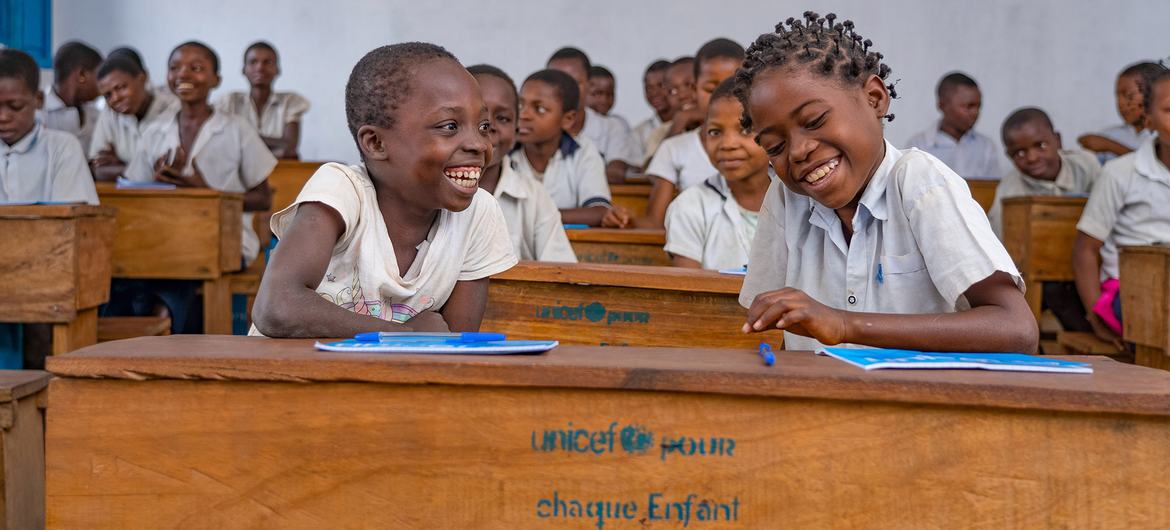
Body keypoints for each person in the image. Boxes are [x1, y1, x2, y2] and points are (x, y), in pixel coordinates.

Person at [736, 12, 1036, 353]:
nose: (799, 151)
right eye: (776, 146)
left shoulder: (921, 183)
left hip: (922, 402)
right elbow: (759, 325)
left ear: (875, 98)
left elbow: (1016, 329)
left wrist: (845, 324)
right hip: (822, 402)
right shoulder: (786, 199)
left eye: (815, 120)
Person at [251, 43, 517, 337]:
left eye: (483, 126)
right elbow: (276, 308)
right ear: (376, 143)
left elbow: (453, 348)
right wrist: (401, 334)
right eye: (450, 126)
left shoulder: (478, 213)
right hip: (289, 378)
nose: (479, 145)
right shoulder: (342, 190)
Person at [1073, 65, 1170, 350]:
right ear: (1148, 119)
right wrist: (1095, 316)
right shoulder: (1120, 173)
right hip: (1130, 293)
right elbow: (1085, 250)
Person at [468, 64, 576, 262]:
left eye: (503, 118)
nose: (488, 127)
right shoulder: (428, 191)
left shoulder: (534, 197)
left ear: (517, 128)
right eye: (477, 115)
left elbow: (561, 272)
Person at [664, 79, 768, 270]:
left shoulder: (801, 200)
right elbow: (688, 292)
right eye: (714, 131)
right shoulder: (690, 206)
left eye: (745, 129)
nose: (727, 144)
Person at [641, 39, 744, 227]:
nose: (722, 96)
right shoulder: (673, 148)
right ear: (694, 88)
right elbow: (654, 221)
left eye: (733, 86)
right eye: (710, 89)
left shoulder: (766, 142)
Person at [511, 69, 620, 227]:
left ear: (568, 119)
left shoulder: (583, 151)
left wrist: (530, 215)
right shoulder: (505, 153)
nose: (524, 115)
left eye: (539, 109)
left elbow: (598, 211)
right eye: (521, 105)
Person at [0, 48, 98, 204]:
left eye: (16, 106)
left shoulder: (62, 148)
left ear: (38, 100)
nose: (3, 117)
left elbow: (73, 217)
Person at [548, 47, 641, 183]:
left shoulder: (611, 127)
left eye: (574, 82)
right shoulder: (535, 126)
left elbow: (616, 174)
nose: (566, 90)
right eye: (556, 83)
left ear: (589, 84)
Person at [90, 56, 180, 181]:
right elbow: (98, 170)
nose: (115, 98)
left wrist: (121, 164)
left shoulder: (174, 107)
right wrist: (145, 169)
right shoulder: (110, 113)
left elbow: (169, 172)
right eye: (107, 95)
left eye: (121, 87)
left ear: (142, 78)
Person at [215, 41, 310, 159]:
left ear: (277, 70)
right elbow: (223, 144)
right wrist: (275, 147)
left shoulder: (291, 101)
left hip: (279, 172)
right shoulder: (229, 101)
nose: (260, 67)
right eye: (253, 62)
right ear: (244, 69)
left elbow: (289, 147)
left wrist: (242, 138)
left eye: (267, 62)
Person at [906, 72, 1002, 180]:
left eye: (978, 106)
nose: (975, 112)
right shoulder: (918, 146)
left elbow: (991, 191)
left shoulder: (986, 147)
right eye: (968, 106)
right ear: (942, 106)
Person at [1078, 62, 1164, 161]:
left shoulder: (1163, 135)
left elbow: (1159, 167)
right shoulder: (1110, 135)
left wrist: (1112, 147)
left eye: (1129, 96)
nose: (1121, 103)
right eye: (1117, 96)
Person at [42, 41, 102, 152]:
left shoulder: (96, 115)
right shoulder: (39, 113)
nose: (104, 84)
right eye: (100, 76)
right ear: (82, 75)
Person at [632, 60, 673, 162]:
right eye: (649, 88)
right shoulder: (639, 133)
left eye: (661, 85)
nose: (654, 93)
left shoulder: (693, 125)